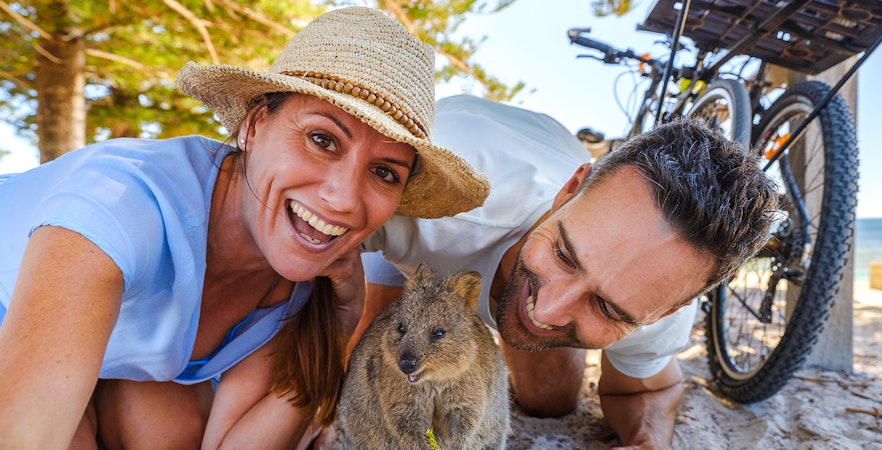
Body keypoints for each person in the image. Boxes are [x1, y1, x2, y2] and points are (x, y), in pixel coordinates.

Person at [0, 7, 489, 449]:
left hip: (103, 367)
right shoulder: (120, 206)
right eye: (322, 139)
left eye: (384, 172)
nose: (342, 198)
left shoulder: (293, 269)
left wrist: (340, 325)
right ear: (254, 125)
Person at [356, 94, 778, 449]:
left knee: (550, 400)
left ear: (667, 312)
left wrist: (647, 439)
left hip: (545, 158)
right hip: (446, 178)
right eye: (565, 255)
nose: (550, 311)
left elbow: (653, 389)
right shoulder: (426, 198)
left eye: (609, 308)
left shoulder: (660, 292)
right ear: (568, 192)